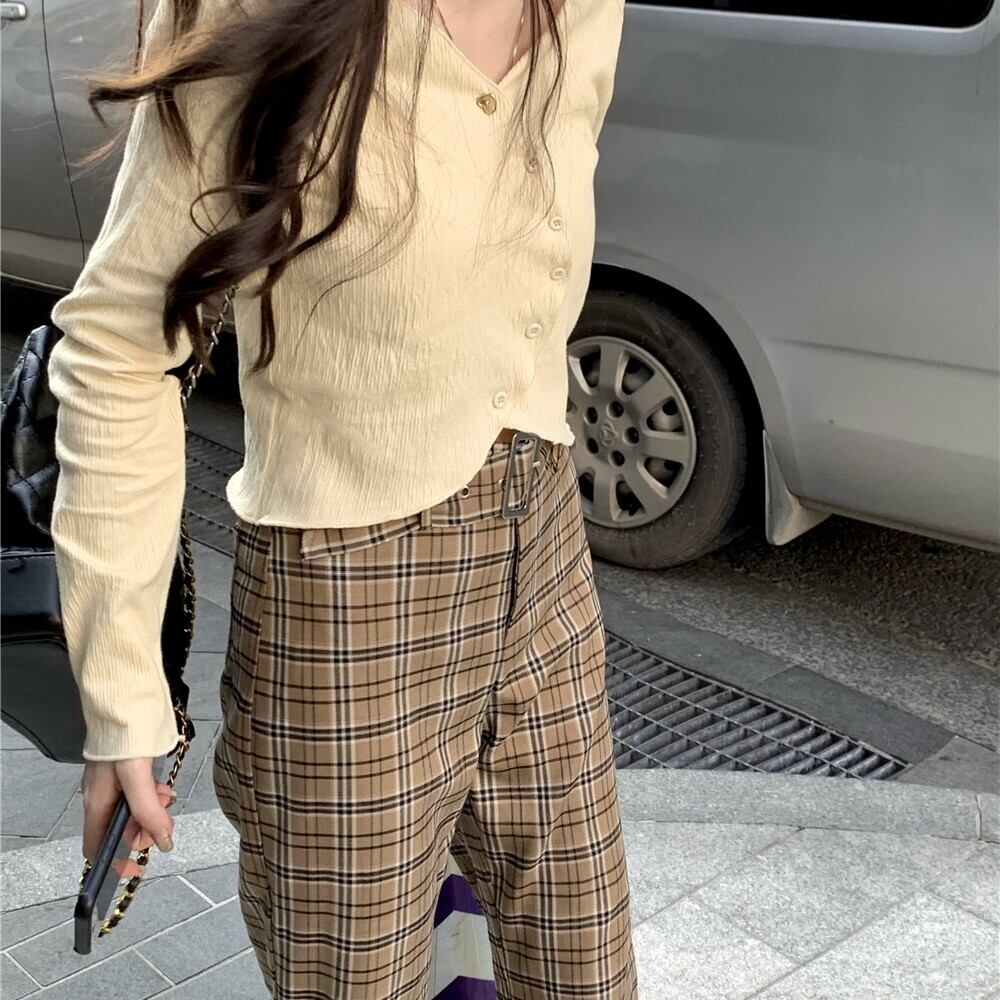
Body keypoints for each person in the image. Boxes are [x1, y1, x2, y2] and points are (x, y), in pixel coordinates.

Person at [47, 0, 635, 995]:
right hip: (342, 610)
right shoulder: (262, 11)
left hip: (543, 557)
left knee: (588, 969)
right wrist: (124, 695)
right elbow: (118, 350)